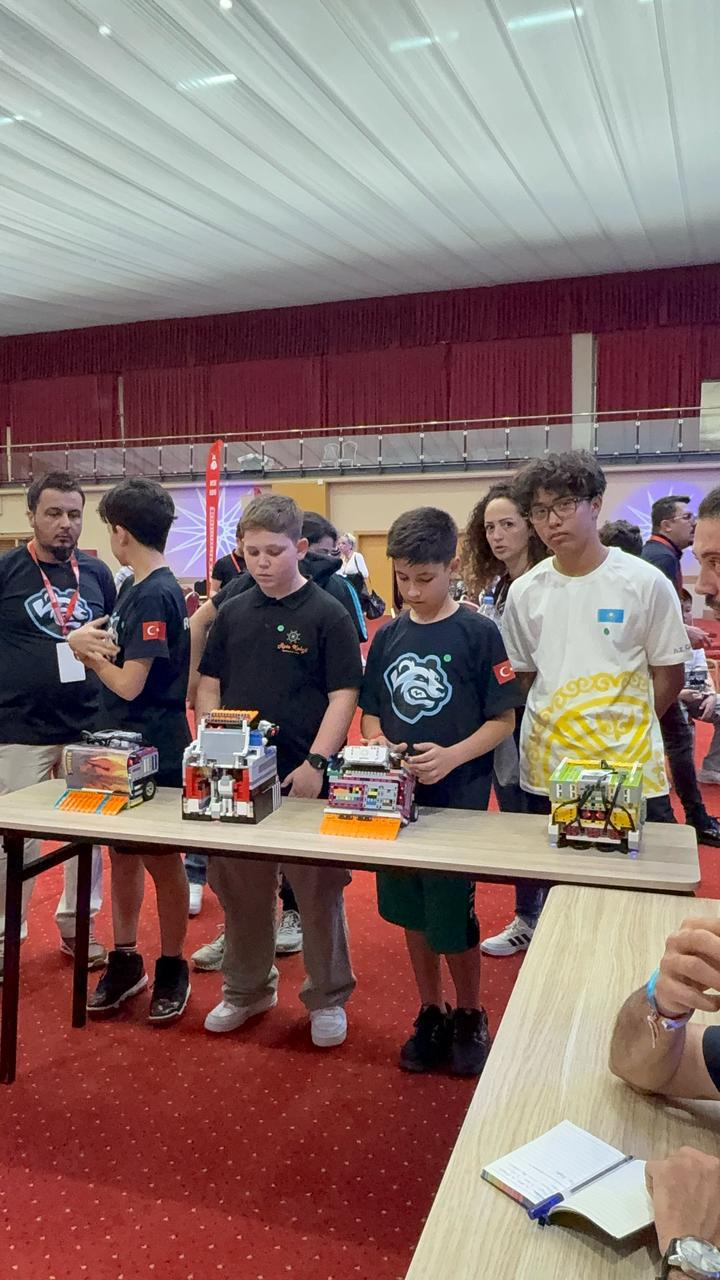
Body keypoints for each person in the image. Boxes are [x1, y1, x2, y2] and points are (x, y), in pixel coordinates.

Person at [195, 494, 362, 1048]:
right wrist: (211, 744)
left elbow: (344, 694)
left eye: (274, 551)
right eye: (253, 553)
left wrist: (317, 760)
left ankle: (328, 996)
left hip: (303, 773)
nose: (263, 562)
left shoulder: (328, 613)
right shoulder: (233, 610)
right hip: (237, 776)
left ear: (301, 547)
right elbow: (210, 683)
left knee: (316, 892)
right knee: (240, 890)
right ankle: (246, 989)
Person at [360, 507, 521, 1076]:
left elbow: (502, 719)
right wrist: (383, 746)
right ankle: (431, 1010)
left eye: (424, 578)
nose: (411, 591)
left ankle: (470, 1012)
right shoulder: (388, 636)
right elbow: (371, 715)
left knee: (452, 913)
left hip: (459, 797)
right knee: (411, 912)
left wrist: (451, 755)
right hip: (396, 802)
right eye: (402, 577)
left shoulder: (479, 632)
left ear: (452, 567)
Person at [501, 450, 691, 836]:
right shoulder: (524, 591)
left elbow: (670, 675)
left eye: (565, 505)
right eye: (540, 511)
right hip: (548, 765)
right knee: (552, 870)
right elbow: (524, 676)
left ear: (596, 505)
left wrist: (626, 724)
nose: (552, 521)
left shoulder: (645, 582)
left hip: (629, 763)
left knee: (635, 869)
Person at [68, 478, 192, 1023]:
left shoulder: (154, 592)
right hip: (120, 745)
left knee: (162, 861)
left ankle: (172, 964)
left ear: (120, 534)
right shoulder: (137, 587)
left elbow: (129, 684)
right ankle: (125, 958)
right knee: (121, 857)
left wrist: (86, 655)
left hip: (154, 747)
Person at [0, 472, 113, 977]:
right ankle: (5, 933)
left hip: (86, 724)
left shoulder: (97, 574)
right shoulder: (7, 572)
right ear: (30, 516)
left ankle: (78, 926)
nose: (65, 523)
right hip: (18, 726)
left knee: (84, 837)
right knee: (13, 840)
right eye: (53, 513)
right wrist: (63, 647)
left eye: (73, 514)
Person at [462, 482, 550, 958]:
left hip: (537, 719)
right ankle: (529, 916)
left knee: (538, 822)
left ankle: (541, 918)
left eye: (508, 525)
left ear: (531, 526)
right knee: (518, 821)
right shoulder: (502, 585)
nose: (497, 536)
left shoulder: (545, 582)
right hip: (505, 720)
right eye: (490, 527)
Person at [640, 496, 720, 846]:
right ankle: (681, 819)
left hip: (658, 669)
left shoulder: (659, 556)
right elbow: (656, 619)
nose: (701, 586)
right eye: (685, 517)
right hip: (657, 669)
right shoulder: (660, 558)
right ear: (665, 525)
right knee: (671, 743)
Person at [209, 522, 245, 595]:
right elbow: (213, 591)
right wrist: (219, 599)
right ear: (238, 540)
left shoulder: (254, 561)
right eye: (245, 543)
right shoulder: (222, 563)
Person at [337, 533, 369, 598]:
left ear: (350, 545)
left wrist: (352, 576)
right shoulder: (342, 559)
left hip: (357, 590)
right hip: (346, 591)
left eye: (343, 543)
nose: (340, 546)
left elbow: (365, 574)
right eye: (339, 543)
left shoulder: (357, 556)